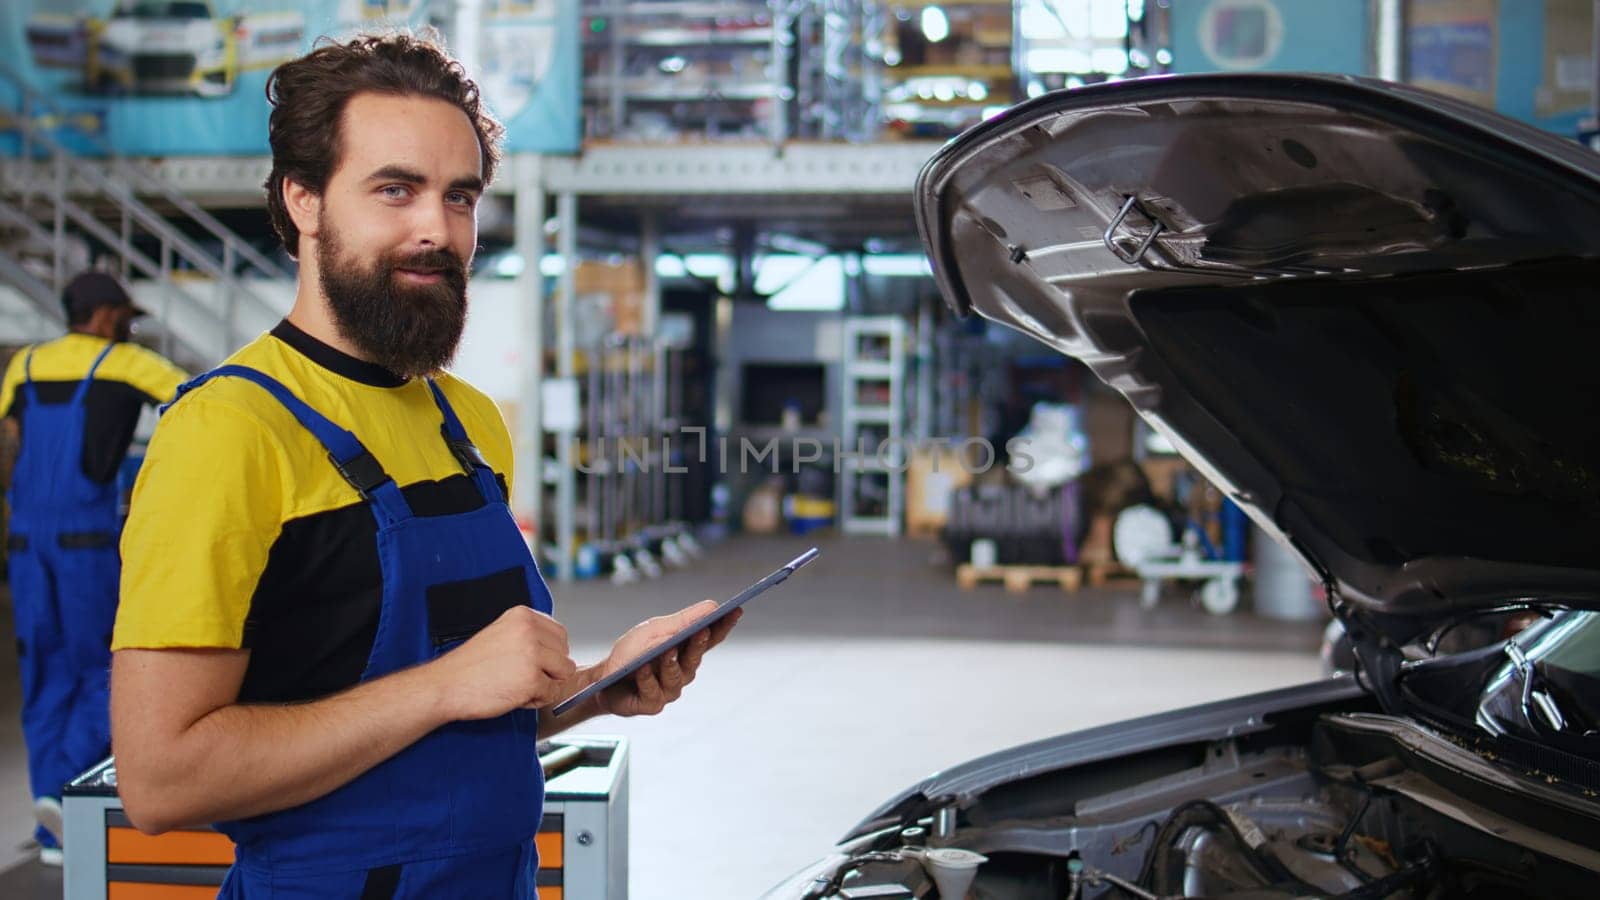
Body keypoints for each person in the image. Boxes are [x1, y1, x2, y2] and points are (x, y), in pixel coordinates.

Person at [108, 32, 738, 897]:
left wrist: (595, 687)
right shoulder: (226, 432)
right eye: (395, 190)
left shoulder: (468, 424)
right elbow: (160, 779)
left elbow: (456, 722)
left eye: (460, 197)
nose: (437, 230)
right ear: (304, 200)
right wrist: (443, 686)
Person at [0, 271, 187, 865]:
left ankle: (52, 817)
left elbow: (9, 441)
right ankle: (75, 808)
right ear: (105, 315)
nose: (129, 327)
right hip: (85, 547)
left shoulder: (23, 366)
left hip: (26, 546)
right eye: (125, 317)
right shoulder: (128, 364)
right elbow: (200, 403)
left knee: (44, 674)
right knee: (100, 673)